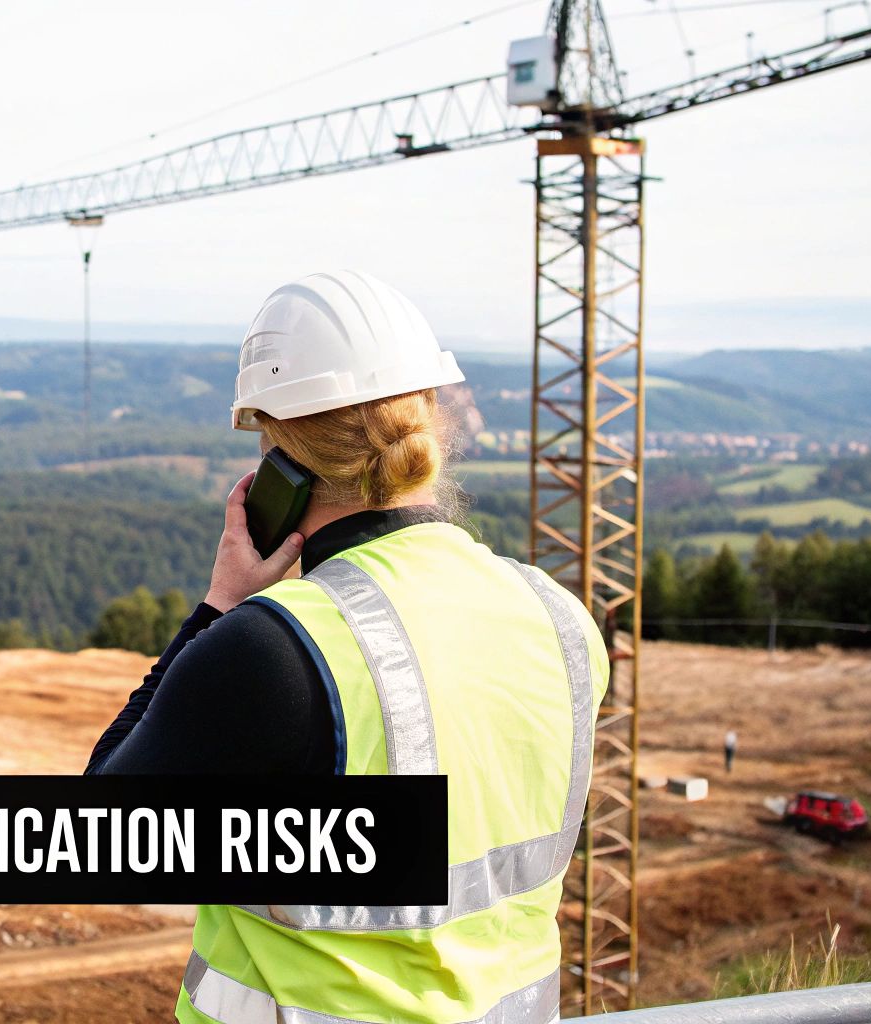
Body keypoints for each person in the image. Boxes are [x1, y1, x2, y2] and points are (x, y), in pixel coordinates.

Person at [88, 271, 610, 1024]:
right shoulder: (561, 621)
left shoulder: (274, 648)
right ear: (429, 420)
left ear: (280, 461)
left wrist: (220, 605)